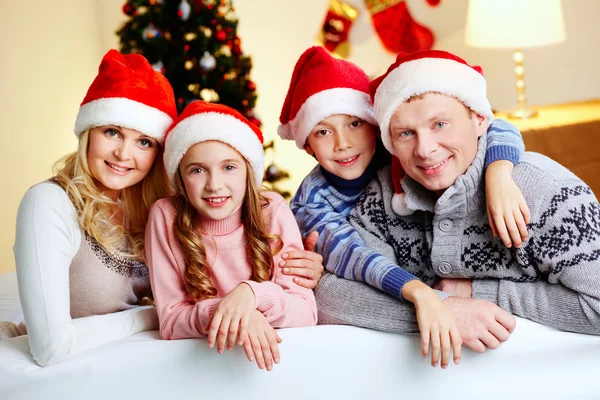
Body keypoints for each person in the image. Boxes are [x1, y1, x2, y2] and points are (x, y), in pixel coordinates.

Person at [317, 49, 600, 342]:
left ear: (479, 119)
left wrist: (480, 293)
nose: (425, 150)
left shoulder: (545, 191)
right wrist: (441, 309)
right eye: (405, 134)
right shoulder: (383, 197)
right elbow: (330, 296)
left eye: (440, 124)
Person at [278, 46, 528, 368]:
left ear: (376, 127)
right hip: (377, 313)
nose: (343, 143)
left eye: (354, 123)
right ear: (308, 145)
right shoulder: (312, 203)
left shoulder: (406, 153)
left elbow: (495, 126)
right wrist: (432, 299)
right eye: (323, 132)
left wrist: (498, 172)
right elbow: (356, 256)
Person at [13, 49, 177, 366]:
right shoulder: (49, 204)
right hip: (53, 378)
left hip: (132, 369)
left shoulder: (153, 207)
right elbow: (50, 348)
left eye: (144, 141)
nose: (123, 154)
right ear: (89, 132)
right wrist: (151, 316)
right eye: (112, 132)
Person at [145, 101, 318, 372]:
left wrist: (251, 295)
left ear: (248, 169)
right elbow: (170, 322)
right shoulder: (165, 216)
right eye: (197, 170)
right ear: (180, 176)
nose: (214, 184)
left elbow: (306, 311)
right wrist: (238, 314)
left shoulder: (271, 210)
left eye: (229, 167)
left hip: (270, 370)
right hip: (202, 371)